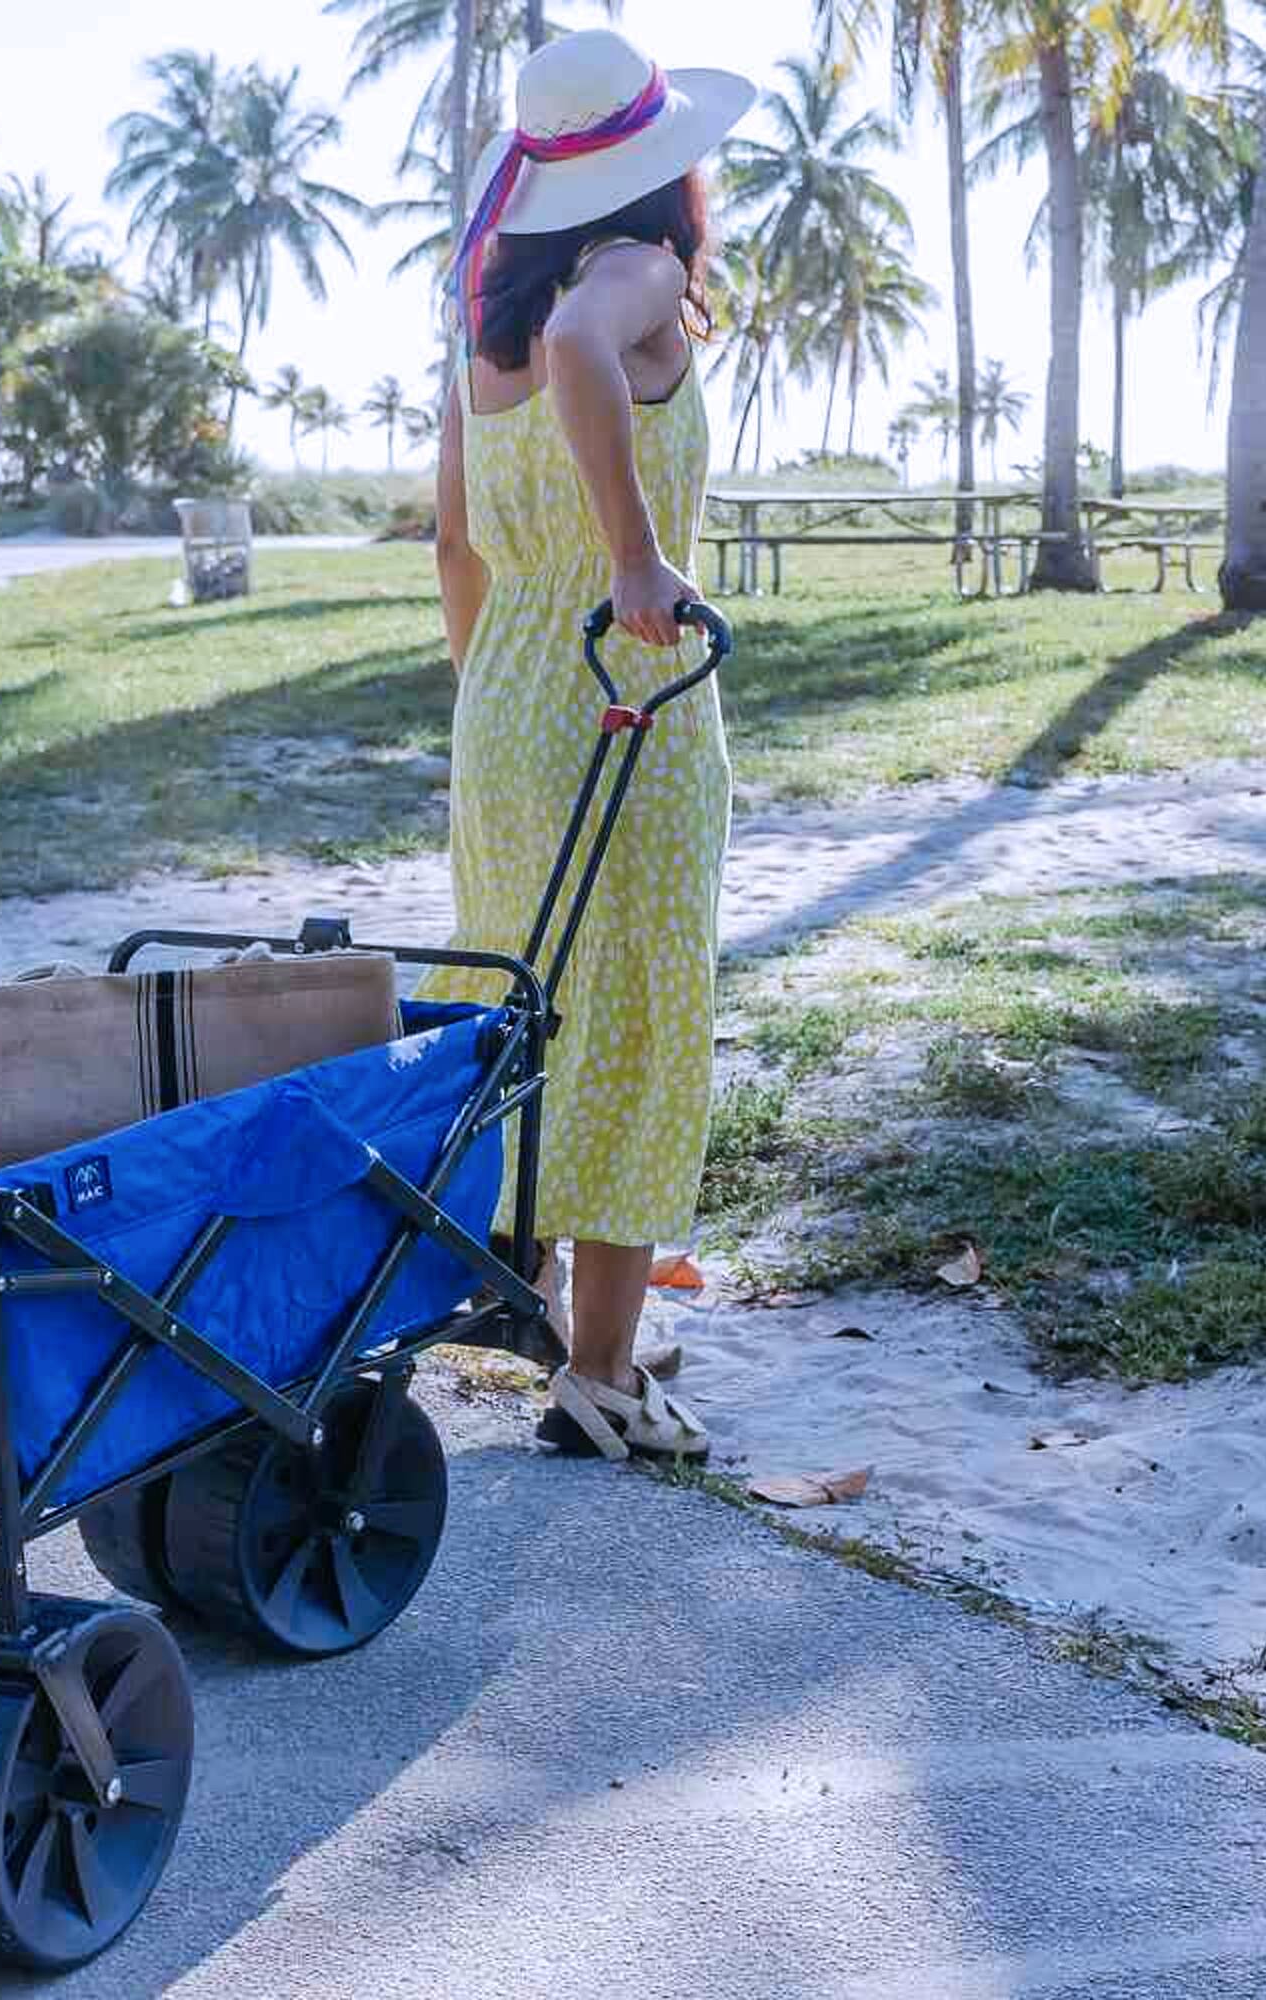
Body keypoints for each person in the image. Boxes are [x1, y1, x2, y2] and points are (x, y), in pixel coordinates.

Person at [420, 29, 754, 1461]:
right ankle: (604, 1376)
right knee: (632, 1014)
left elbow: (454, 547)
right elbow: (582, 351)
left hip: (503, 707)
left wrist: (497, 699)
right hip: (628, 691)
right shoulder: (637, 275)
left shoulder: (483, 336)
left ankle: (535, 1302)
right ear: (664, 169)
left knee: (524, 1003)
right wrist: (633, 555)